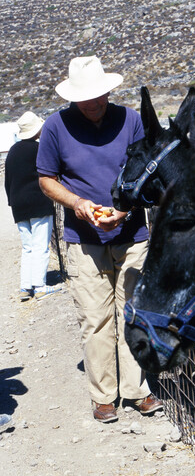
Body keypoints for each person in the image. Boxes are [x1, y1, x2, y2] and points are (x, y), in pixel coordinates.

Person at [36, 56, 162, 423]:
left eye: (100, 95)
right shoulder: (56, 127)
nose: (95, 103)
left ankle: (139, 390)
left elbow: (147, 172)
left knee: (133, 314)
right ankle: (104, 396)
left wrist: (125, 208)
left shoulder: (131, 120)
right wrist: (77, 204)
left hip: (133, 234)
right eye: (87, 98)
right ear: (73, 98)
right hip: (83, 239)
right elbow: (46, 178)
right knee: (95, 319)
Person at [4, 111, 59, 301]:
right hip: (38, 202)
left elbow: (7, 181)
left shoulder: (12, 151)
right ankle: (40, 286)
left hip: (18, 205)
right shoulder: (39, 149)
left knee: (27, 247)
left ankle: (25, 286)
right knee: (40, 245)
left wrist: (12, 203)